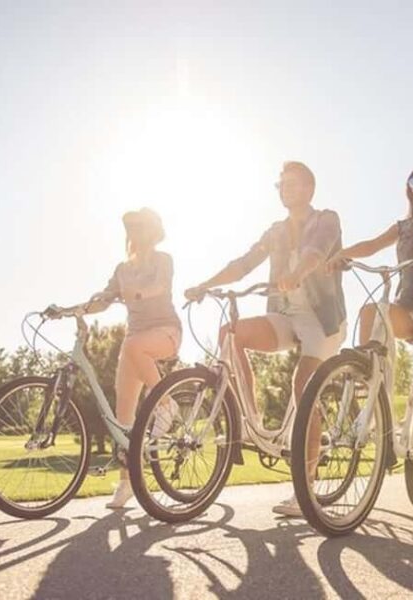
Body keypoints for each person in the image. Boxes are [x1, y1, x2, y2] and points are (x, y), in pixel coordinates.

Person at [185, 161, 347, 517]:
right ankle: (249, 422)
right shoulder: (276, 231)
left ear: (309, 188)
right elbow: (243, 264)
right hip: (286, 315)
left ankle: (306, 489)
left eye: (293, 183)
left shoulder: (326, 219)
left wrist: (296, 273)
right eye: (281, 184)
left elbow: (316, 252)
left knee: (303, 385)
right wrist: (205, 285)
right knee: (230, 334)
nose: (285, 188)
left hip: (322, 321)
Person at [329, 162, 413, 524]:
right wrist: (342, 254)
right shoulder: (403, 226)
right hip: (408, 308)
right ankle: (374, 400)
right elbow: (373, 244)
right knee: (370, 312)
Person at [72, 208, 182, 509]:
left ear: (153, 232)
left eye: (140, 227)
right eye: (131, 228)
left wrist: (137, 293)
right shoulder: (122, 269)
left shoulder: (163, 260)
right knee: (122, 417)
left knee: (133, 345)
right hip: (134, 342)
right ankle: (127, 482)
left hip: (166, 332)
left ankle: (166, 404)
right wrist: (80, 308)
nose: (134, 232)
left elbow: (160, 286)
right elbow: (106, 298)